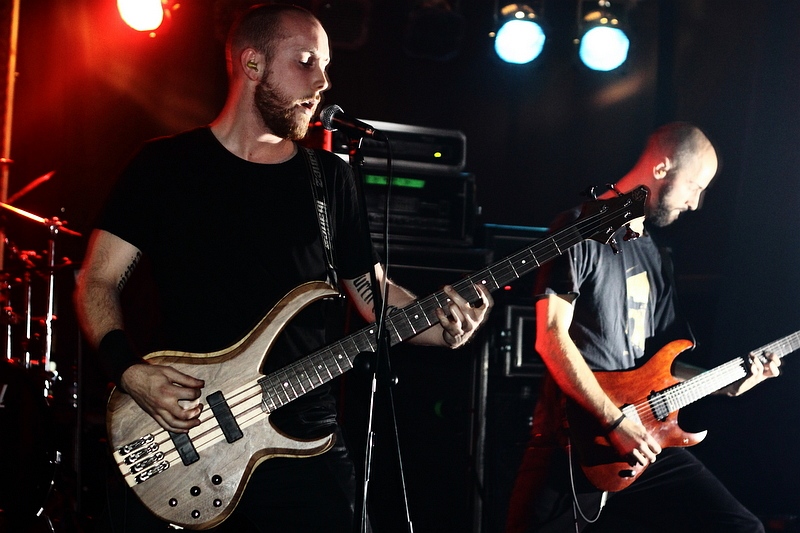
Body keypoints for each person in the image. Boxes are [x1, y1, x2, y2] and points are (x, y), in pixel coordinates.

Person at [73, 4, 492, 532]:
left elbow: (371, 294)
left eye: (325, 65)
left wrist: (439, 324)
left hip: (305, 448)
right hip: (186, 436)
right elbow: (97, 278)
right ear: (252, 65)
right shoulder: (164, 167)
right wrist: (129, 371)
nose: (324, 81)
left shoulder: (329, 180)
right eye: (306, 61)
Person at [505, 122, 780, 533]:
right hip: (578, 443)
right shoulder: (579, 227)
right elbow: (550, 338)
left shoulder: (654, 254)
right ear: (661, 167)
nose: (696, 202)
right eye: (694, 186)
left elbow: (662, 361)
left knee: (742, 527)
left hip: (641, 440)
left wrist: (725, 382)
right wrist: (615, 421)